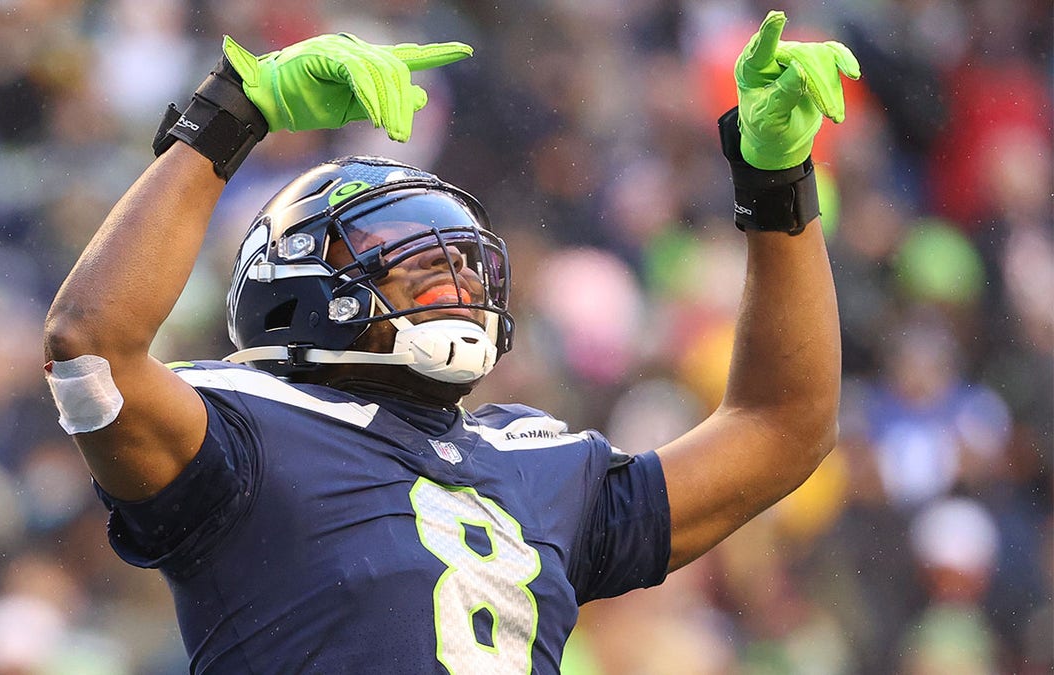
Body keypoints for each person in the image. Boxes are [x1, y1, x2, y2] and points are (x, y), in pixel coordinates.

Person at [43, 11, 858, 673]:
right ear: (293, 283)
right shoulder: (247, 432)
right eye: (408, 246)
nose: (452, 272)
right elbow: (91, 348)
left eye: (461, 254)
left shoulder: (540, 462)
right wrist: (232, 114)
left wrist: (777, 182)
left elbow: (783, 425)